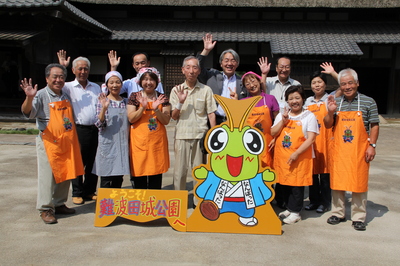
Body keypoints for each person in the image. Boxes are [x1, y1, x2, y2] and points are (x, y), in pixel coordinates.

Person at [21, 63, 83, 224]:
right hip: (48, 141)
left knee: (66, 173)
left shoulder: (65, 95)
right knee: (47, 176)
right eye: (55, 76)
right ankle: (45, 208)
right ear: (47, 78)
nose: (58, 80)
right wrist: (29, 97)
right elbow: (28, 113)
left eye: (61, 77)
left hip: (66, 140)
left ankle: (59, 203)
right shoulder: (40, 95)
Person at [324, 68, 379, 231]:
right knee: (337, 182)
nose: (347, 87)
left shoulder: (369, 102)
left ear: (357, 83)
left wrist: (372, 145)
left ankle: (358, 216)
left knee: (359, 182)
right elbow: (328, 124)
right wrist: (330, 112)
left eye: (350, 83)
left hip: (359, 150)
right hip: (339, 150)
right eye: (343, 84)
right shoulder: (336, 101)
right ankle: (338, 213)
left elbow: (374, 125)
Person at [57, 50, 102, 205]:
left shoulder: (96, 87)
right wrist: (62, 67)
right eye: (80, 69)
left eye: (86, 69)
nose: (83, 72)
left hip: (96, 129)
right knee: (77, 162)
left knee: (93, 162)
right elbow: (55, 88)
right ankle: (77, 192)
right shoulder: (68, 87)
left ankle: (90, 190)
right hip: (78, 129)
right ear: (73, 70)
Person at [271, 85, 319, 224]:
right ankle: (289, 208)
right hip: (283, 156)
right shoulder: (283, 114)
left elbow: (311, 138)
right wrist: (283, 121)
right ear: (287, 101)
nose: (294, 101)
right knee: (285, 183)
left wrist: (297, 153)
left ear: (303, 99)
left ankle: (296, 212)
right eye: (290, 98)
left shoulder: (309, 116)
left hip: (299, 157)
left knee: (296, 185)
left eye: (297, 98)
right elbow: (273, 132)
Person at [170, 56, 217, 193]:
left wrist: (212, 135)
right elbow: (173, 116)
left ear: (199, 71)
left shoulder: (206, 90)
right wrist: (180, 102)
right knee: (180, 172)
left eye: (195, 67)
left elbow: (211, 114)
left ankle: (199, 201)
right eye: (188, 67)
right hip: (182, 135)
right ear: (183, 70)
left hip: (200, 135)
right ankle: (178, 201)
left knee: (200, 171)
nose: (191, 71)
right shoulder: (176, 90)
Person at [127, 67, 171, 189]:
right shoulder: (134, 96)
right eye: (145, 79)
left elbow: (166, 120)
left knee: (155, 175)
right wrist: (142, 107)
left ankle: (153, 204)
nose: (148, 82)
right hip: (139, 142)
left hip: (156, 143)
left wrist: (156, 109)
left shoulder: (162, 98)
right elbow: (131, 118)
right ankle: (140, 204)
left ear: (157, 82)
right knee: (139, 174)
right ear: (140, 81)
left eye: (151, 79)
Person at [239, 57, 279, 167]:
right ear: (246, 88)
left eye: (253, 81)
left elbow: (278, 121)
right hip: (248, 143)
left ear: (259, 81)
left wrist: (276, 138)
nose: (251, 85)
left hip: (268, 142)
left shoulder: (270, 99)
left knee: (267, 173)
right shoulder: (243, 102)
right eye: (247, 84)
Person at [92, 71, 130, 188]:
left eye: (117, 82)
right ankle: (106, 205)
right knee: (106, 177)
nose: (115, 85)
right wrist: (104, 108)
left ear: (121, 84)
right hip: (108, 143)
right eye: (111, 82)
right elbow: (99, 124)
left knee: (119, 177)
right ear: (107, 85)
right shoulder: (102, 101)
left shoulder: (126, 102)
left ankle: (116, 204)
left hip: (122, 144)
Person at [197, 33, 245, 124]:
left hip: (234, 121)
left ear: (237, 64)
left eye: (233, 60)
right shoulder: (213, 76)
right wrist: (206, 50)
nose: (229, 63)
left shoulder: (242, 81)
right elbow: (198, 68)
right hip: (214, 121)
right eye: (226, 60)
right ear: (221, 64)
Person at [304, 71, 333, 213]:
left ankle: (325, 202)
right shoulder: (307, 101)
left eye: (319, 82)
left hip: (326, 142)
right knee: (313, 174)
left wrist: (333, 72)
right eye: (314, 82)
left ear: (325, 84)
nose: (317, 85)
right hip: (311, 142)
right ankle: (314, 201)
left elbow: (344, 85)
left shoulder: (330, 99)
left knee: (325, 175)